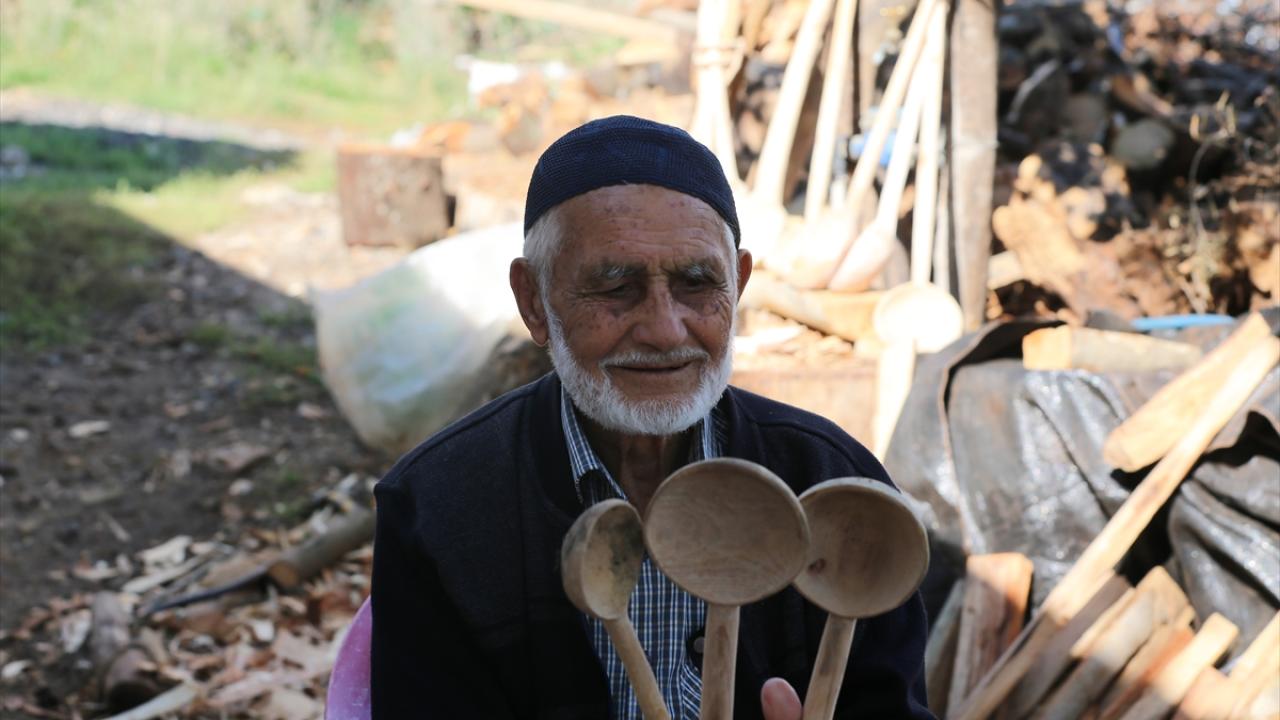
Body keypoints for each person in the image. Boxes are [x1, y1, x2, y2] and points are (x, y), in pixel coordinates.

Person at [370, 115, 933, 719]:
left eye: (697, 283)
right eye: (615, 286)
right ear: (534, 301)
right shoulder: (437, 508)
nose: (665, 331)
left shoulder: (836, 491)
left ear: (738, 287)